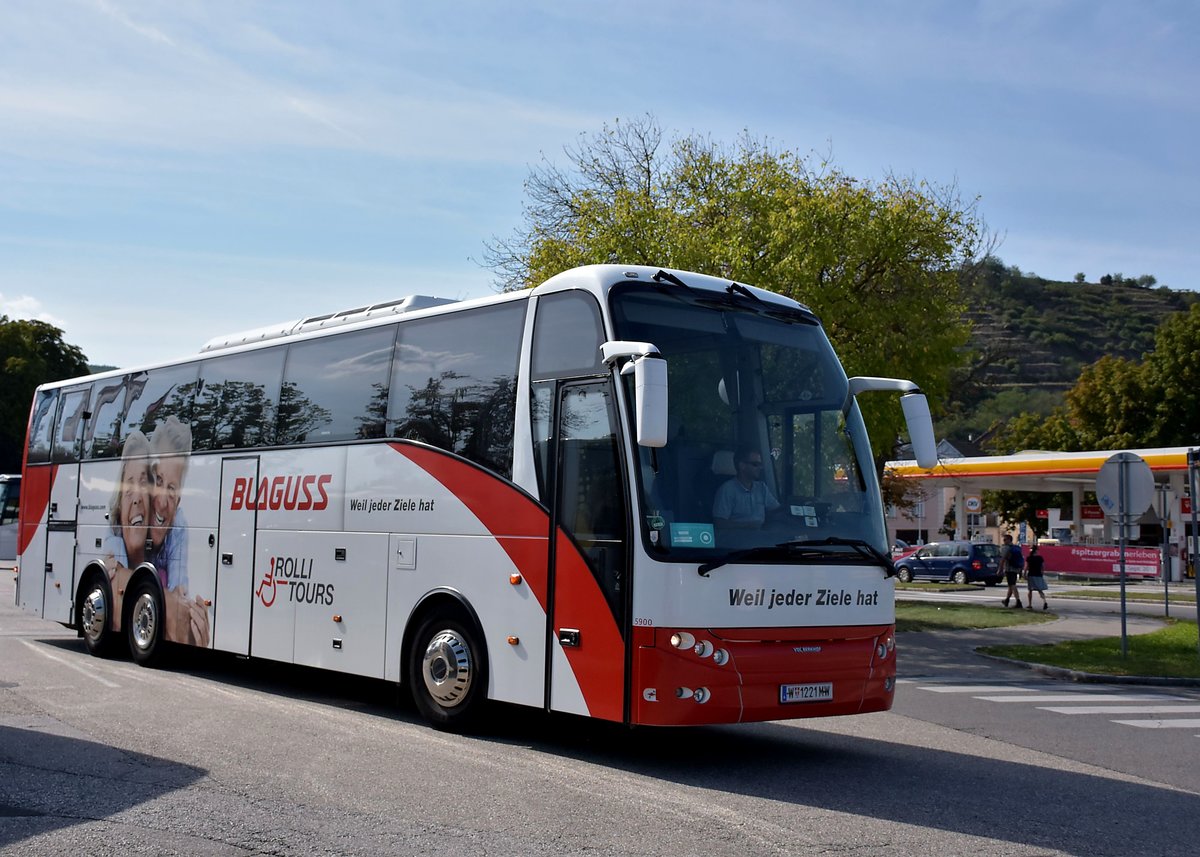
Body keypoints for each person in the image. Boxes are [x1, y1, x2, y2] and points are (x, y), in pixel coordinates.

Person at [147, 415, 209, 647]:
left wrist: (187, 618)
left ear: (180, 497)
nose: (162, 501)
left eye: (172, 489)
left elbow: (178, 589)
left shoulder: (179, 528)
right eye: (158, 481)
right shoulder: (129, 515)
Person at [712, 446, 780, 529]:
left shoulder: (762, 488)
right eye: (755, 464)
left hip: (762, 537)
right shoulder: (727, 490)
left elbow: (776, 511)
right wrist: (747, 526)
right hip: (737, 538)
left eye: (760, 464)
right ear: (742, 466)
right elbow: (719, 523)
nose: (760, 468)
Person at [999, 533, 1024, 608]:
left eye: (1005, 539)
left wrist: (999, 570)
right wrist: (1020, 569)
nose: (1003, 541)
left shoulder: (1006, 548)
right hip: (1016, 568)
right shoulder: (1016, 547)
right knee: (1011, 585)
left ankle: (1018, 601)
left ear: (1009, 540)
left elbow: (1002, 559)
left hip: (1009, 569)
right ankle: (1007, 600)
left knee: (1012, 585)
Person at [1025, 544, 1049, 610]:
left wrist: (1024, 574)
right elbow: (1043, 567)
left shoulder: (1029, 558)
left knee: (1030, 590)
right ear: (1036, 551)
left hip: (1031, 575)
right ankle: (1044, 601)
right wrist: (1042, 572)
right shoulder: (1040, 558)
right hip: (1038, 575)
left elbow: (1026, 567)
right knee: (1039, 590)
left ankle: (1030, 604)